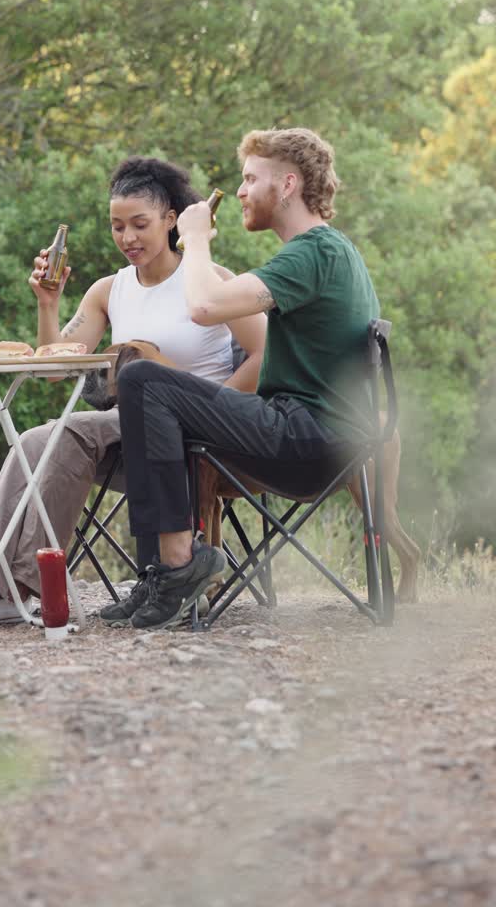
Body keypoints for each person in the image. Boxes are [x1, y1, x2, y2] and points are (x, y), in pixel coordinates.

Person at [0, 157, 265, 628]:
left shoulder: (210, 280)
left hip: (200, 438)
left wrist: (214, 408)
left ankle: (5, 591)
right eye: (117, 226)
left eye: (140, 224)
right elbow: (54, 367)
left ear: (171, 219)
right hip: (134, 436)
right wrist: (48, 304)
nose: (127, 237)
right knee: (34, 440)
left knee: (69, 433)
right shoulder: (109, 290)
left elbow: (263, 354)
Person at [115, 127, 381, 630]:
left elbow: (203, 306)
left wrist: (194, 239)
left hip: (306, 438)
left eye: (250, 178)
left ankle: (177, 565)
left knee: (143, 381)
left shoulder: (314, 252)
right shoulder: (328, 250)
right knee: (157, 398)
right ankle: (163, 570)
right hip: (325, 438)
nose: (239, 191)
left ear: (287, 184)